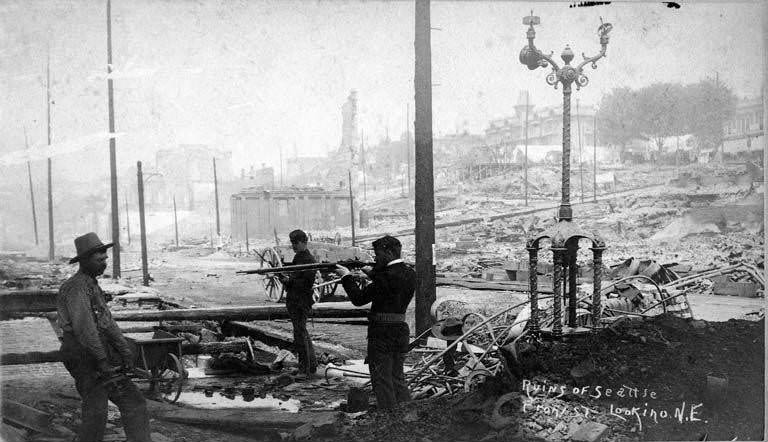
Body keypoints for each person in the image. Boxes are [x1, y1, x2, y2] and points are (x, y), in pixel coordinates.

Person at [57, 233, 150, 442]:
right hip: (81, 355)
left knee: (134, 403)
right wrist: (102, 361)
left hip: (99, 354)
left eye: (105, 259)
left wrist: (125, 352)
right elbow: (85, 330)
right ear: (85, 260)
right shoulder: (75, 288)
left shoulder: (92, 285)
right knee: (96, 412)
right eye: (100, 260)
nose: (105, 263)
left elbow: (107, 323)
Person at [335, 235, 415, 410]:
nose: (375, 258)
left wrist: (346, 277)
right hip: (400, 331)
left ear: (388, 252)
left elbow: (358, 299)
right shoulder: (410, 272)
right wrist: (372, 273)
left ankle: (389, 421)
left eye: (378, 254)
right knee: (397, 378)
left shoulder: (384, 277)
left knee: (381, 380)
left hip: (382, 333)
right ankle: (408, 417)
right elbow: (391, 282)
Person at [278, 229, 318, 378]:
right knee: (302, 332)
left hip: (301, 301)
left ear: (304, 242)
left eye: (296, 243)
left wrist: (289, 281)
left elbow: (306, 283)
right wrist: (286, 280)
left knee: (300, 334)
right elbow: (295, 279)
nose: (294, 246)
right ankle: (311, 366)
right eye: (292, 243)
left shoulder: (307, 259)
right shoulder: (299, 257)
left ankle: (304, 369)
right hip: (296, 300)